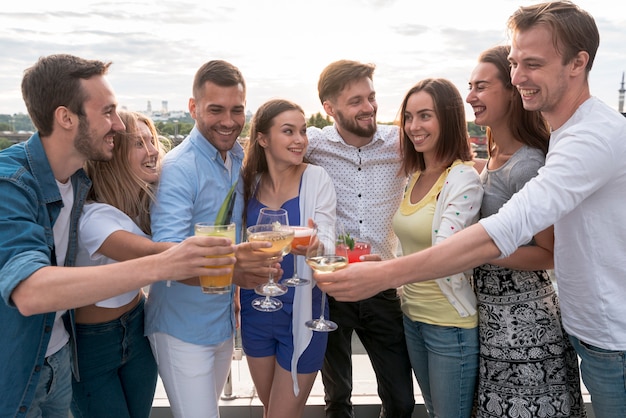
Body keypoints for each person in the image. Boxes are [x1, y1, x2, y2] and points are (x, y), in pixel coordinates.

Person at [316, 2, 626, 416]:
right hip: (583, 332)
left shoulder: (591, 139)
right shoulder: (560, 137)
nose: (519, 77)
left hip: (612, 343)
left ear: (577, 63)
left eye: (532, 63)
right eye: (515, 63)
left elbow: (509, 227)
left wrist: (385, 273)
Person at [0, 54, 237, 418]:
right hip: (20, 366)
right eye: (108, 112)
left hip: (66, 351)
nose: (119, 126)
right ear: (66, 118)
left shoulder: (79, 182)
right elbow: (31, 292)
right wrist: (164, 263)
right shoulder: (10, 183)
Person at [144, 59, 275, 418]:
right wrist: (235, 274)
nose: (229, 121)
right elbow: (167, 259)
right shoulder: (178, 169)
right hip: (180, 328)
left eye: (237, 110)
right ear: (193, 108)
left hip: (220, 322)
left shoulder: (236, 157)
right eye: (215, 109)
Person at [467, 45, 586, 418]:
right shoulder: (495, 152)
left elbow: (546, 253)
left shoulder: (528, 164)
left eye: (482, 87)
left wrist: (476, 248)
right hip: (495, 321)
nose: (470, 96)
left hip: (524, 325)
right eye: (471, 86)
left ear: (511, 91)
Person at [306, 59, 415, 418]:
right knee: (337, 400)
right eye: (355, 101)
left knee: (401, 400)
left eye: (371, 97)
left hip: (383, 287)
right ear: (329, 108)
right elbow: (263, 154)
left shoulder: (400, 142)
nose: (368, 107)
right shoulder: (314, 144)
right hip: (331, 289)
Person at [240, 98, 336, 417]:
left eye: (303, 131)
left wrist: (315, 247)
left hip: (302, 312)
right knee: (273, 412)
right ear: (263, 138)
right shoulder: (247, 183)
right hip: (255, 310)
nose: (299, 140)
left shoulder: (316, 178)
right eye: (288, 131)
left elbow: (329, 245)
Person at [70, 111, 169, 418]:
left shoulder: (142, 202)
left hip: (137, 326)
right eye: (139, 144)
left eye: (152, 140)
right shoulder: (93, 217)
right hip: (94, 343)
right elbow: (157, 255)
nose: (153, 150)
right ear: (114, 155)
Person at [394, 78, 482, 417]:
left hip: (449, 327)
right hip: (412, 318)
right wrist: (381, 261)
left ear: (447, 118)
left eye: (425, 116)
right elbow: (411, 247)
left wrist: (381, 275)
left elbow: (446, 254)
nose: (414, 126)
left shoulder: (462, 179)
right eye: (409, 116)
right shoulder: (415, 176)